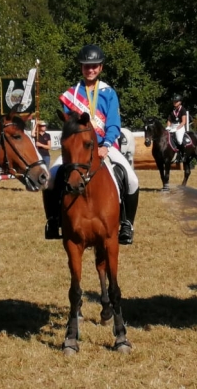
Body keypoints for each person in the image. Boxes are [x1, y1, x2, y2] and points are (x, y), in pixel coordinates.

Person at [42, 44, 140, 245]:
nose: (91, 69)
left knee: (132, 179)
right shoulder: (71, 94)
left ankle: (127, 224)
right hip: (78, 149)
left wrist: (106, 146)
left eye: (94, 66)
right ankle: (53, 221)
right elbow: (70, 126)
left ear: (101, 67)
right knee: (50, 177)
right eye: (87, 66)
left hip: (105, 146)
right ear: (81, 68)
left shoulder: (109, 93)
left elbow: (113, 123)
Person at [167, 94, 191, 160]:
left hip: (180, 126)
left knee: (179, 140)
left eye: (176, 101)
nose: (174, 102)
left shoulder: (183, 110)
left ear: (180, 102)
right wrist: (168, 127)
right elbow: (169, 120)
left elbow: (183, 122)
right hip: (172, 126)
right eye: (174, 101)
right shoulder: (172, 110)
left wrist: (176, 129)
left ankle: (183, 154)